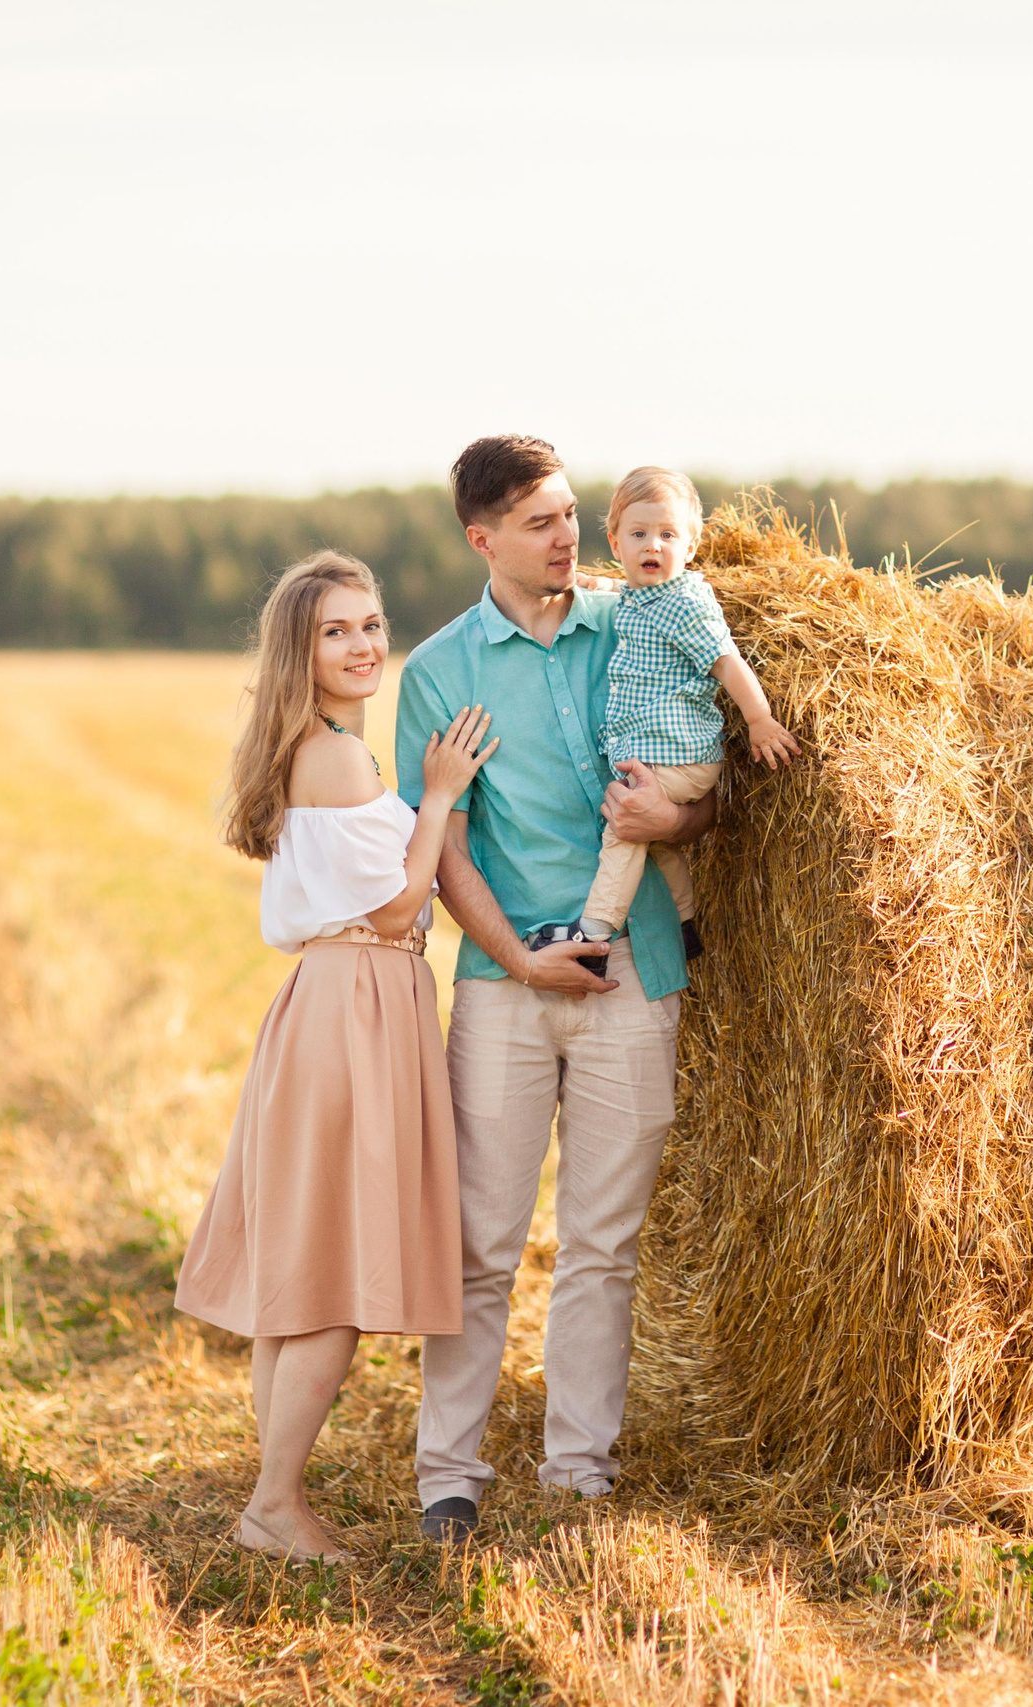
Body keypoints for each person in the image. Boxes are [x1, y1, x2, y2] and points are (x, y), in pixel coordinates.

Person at [393, 436, 719, 1540]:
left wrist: (672, 821)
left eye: (572, 513)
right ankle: (450, 1474)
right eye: (540, 521)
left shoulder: (642, 618)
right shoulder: (441, 671)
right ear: (482, 539)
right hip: (504, 983)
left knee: (602, 1242)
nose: (569, 537)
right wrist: (518, 957)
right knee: (482, 1239)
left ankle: (578, 1469)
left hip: (636, 975)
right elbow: (443, 847)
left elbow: (704, 777)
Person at [174, 549, 496, 1562]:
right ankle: (274, 1505)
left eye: (369, 624)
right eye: (336, 632)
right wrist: (439, 793)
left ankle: (275, 1496)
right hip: (356, 1005)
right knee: (337, 1276)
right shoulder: (339, 757)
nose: (363, 646)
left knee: (306, 1266)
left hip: (338, 1002)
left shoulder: (309, 746)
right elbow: (403, 901)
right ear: (298, 653)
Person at [572, 467, 799, 954]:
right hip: (660, 754)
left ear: (690, 547)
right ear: (616, 544)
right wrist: (592, 582)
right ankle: (685, 927)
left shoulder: (685, 603)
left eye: (668, 535)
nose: (653, 545)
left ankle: (594, 932)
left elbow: (727, 662)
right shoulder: (645, 594)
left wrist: (759, 721)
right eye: (639, 534)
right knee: (659, 843)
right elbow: (623, 593)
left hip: (679, 756)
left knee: (627, 828)